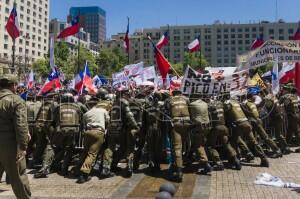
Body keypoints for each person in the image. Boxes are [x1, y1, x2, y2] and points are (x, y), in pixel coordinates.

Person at [0, 74, 31, 199]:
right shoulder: (16, 100)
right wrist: (22, 146)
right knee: (19, 177)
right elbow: (21, 126)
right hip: (10, 144)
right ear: (13, 85)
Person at [76, 96, 109, 183]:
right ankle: (84, 174)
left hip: (87, 132)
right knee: (92, 154)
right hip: (98, 132)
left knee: (85, 151)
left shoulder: (87, 113)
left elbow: (84, 123)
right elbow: (108, 121)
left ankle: (77, 168)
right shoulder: (103, 111)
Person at [166, 89, 191, 182]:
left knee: (177, 147)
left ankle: (179, 171)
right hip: (187, 124)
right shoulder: (186, 99)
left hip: (176, 125)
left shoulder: (170, 100)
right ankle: (184, 161)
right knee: (185, 145)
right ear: (180, 93)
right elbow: (190, 109)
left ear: (173, 93)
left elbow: (167, 110)